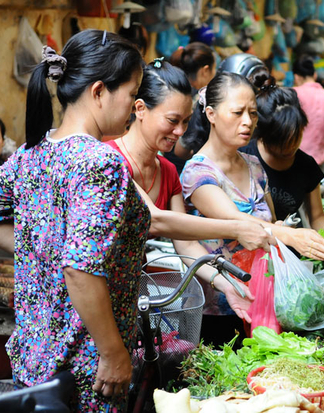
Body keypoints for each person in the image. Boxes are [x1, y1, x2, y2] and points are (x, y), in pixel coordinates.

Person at [0, 30, 147, 411]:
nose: (134, 104)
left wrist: (36, 243)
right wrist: (114, 353)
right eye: (131, 92)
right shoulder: (99, 163)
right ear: (100, 91)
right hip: (86, 369)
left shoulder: (32, 154)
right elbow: (81, 271)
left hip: (36, 362)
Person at [107, 59, 274, 322]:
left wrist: (224, 284)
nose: (180, 131)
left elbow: (185, 241)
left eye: (185, 121)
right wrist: (237, 227)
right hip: (95, 294)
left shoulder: (168, 171)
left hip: (132, 295)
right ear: (140, 109)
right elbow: (157, 220)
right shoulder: (109, 160)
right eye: (172, 120)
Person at [181, 72, 324, 345]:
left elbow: (271, 223)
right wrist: (291, 236)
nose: (248, 122)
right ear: (211, 114)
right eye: (237, 112)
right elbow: (238, 222)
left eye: (252, 113)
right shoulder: (198, 171)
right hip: (216, 309)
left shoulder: (253, 166)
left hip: (263, 301)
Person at [241, 77, 324, 231]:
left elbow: (317, 217)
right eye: (281, 142)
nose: (290, 147)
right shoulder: (244, 157)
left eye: (296, 138)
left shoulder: (306, 166)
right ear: (262, 134)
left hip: (289, 248)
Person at [168, 42, 217, 168]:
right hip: (181, 166)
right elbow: (180, 150)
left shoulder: (174, 88)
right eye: (214, 69)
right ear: (205, 70)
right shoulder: (197, 99)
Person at [293, 55, 324, 169]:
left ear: (296, 77)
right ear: (315, 75)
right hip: (318, 160)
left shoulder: (293, 94)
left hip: (294, 158)